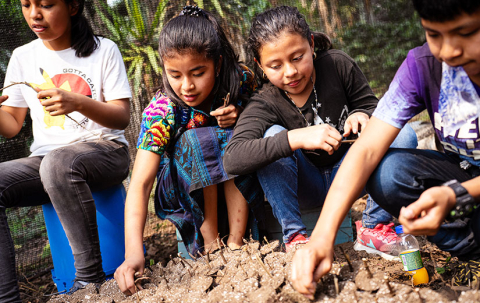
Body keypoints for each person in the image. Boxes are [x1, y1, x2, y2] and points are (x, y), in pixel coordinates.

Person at [291, 0, 480, 298]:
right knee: (388, 173)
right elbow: (366, 150)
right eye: (434, 34)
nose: (448, 51)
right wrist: (322, 237)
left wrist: (457, 194)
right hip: (464, 177)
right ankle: (473, 254)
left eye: (467, 33)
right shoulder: (424, 67)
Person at [223, 5, 417, 253]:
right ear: (260, 65)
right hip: (305, 186)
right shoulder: (264, 101)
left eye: (297, 57)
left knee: (403, 135)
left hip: (351, 175)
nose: (290, 72)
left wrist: (362, 113)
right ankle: (295, 238)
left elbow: (373, 106)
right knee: (272, 137)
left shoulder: (337, 65)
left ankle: (373, 227)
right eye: (275, 65)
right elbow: (233, 158)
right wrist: (295, 138)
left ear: (311, 45)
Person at [114, 6, 264, 295]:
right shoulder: (162, 110)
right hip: (181, 188)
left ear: (217, 64)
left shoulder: (240, 79)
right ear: (164, 68)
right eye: (175, 74)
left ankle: (236, 241)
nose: (187, 86)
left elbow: (268, 109)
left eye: (198, 73)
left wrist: (244, 114)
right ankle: (209, 246)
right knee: (199, 140)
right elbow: (141, 182)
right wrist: (134, 251)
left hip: (236, 173)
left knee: (233, 136)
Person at [0, 0, 131, 301]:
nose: (34, 14)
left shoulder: (104, 49)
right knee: (50, 165)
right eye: (25, 4)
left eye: (46, 4)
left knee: (58, 164)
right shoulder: (23, 56)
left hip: (105, 152)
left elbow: (122, 116)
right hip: (47, 162)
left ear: (73, 6)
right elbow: (11, 124)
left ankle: (89, 283)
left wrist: (77, 102)